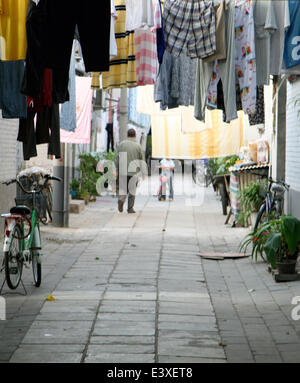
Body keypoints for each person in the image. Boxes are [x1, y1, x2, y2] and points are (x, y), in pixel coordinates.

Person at [114, 128, 146, 213]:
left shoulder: (121, 144)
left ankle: (121, 199)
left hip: (122, 171)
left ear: (127, 135)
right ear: (135, 136)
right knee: (132, 191)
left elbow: (116, 158)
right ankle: (130, 208)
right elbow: (142, 159)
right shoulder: (138, 146)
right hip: (133, 172)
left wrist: (115, 169)